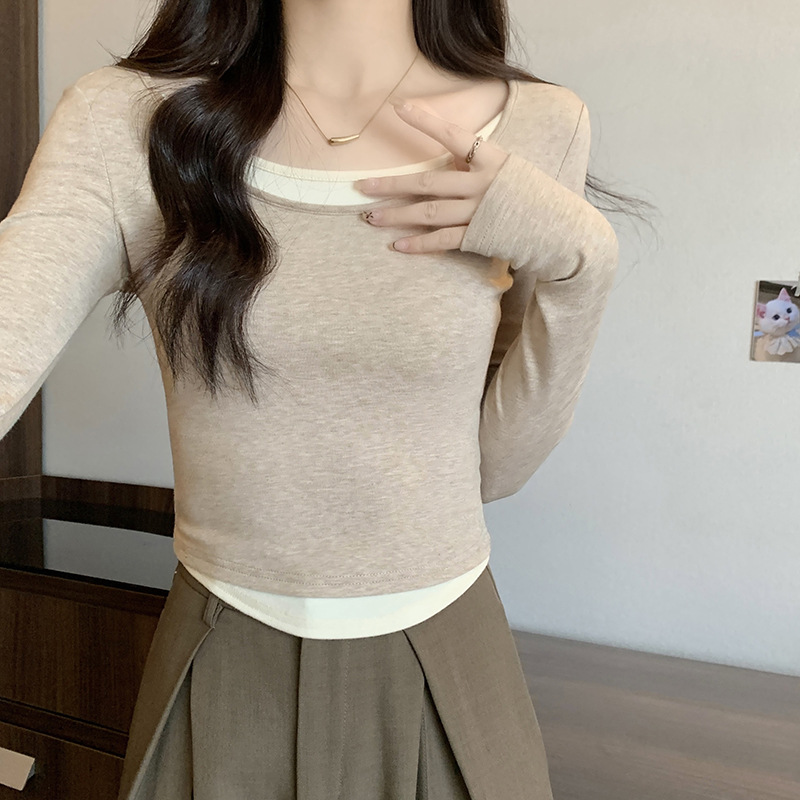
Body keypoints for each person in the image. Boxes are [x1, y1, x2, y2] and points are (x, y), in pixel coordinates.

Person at [0, 0, 643, 797]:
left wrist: (586, 263)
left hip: (448, 655)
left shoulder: (544, 124)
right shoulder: (127, 121)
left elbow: (494, 468)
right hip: (223, 647)